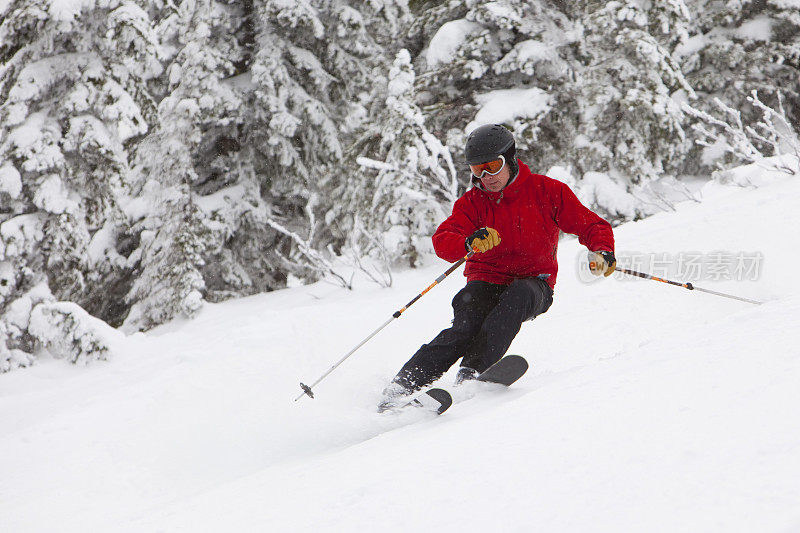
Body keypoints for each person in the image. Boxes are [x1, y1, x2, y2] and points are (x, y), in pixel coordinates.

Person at [379, 124, 616, 409]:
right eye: (478, 170)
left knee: (513, 302)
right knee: (465, 327)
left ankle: (471, 375)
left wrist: (601, 250)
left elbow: (590, 224)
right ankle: (403, 385)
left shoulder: (547, 191)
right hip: (485, 280)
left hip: (534, 282)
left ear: (511, 158)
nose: (486, 177)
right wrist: (468, 242)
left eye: (492, 166)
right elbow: (443, 240)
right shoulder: (473, 204)